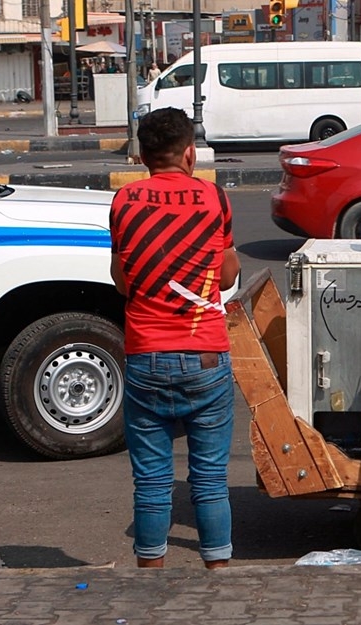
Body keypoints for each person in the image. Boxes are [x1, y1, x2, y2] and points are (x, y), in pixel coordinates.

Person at [109, 107, 241, 570]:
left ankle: (151, 582)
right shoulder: (215, 199)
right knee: (208, 480)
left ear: (142, 155)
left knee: (151, 482)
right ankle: (217, 578)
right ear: (189, 153)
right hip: (205, 354)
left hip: (146, 355)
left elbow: (123, 283)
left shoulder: (124, 202)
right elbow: (226, 278)